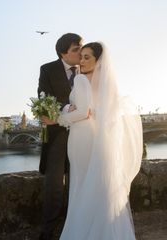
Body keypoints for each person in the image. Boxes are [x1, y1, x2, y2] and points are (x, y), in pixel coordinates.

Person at [43, 42, 143, 239]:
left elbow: (82, 112)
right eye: (81, 56)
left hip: (81, 138)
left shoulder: (80, 80)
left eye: (87, 57)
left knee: (81, 185)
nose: (82, 60)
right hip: (98, 138)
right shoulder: (108, 85)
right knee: (98, 186)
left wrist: (55, 118)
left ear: (98, 61)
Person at [38, 33, 82, 240]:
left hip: (85, 134)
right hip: (58, 136)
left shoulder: (90, 67)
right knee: (54, 184)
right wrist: (67, 109)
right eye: (76, 49)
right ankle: (49, 229)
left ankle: (75, 224)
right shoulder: (47, 70)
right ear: (63, 52)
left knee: (79, 182)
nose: (81, 52)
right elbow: (44, 101)